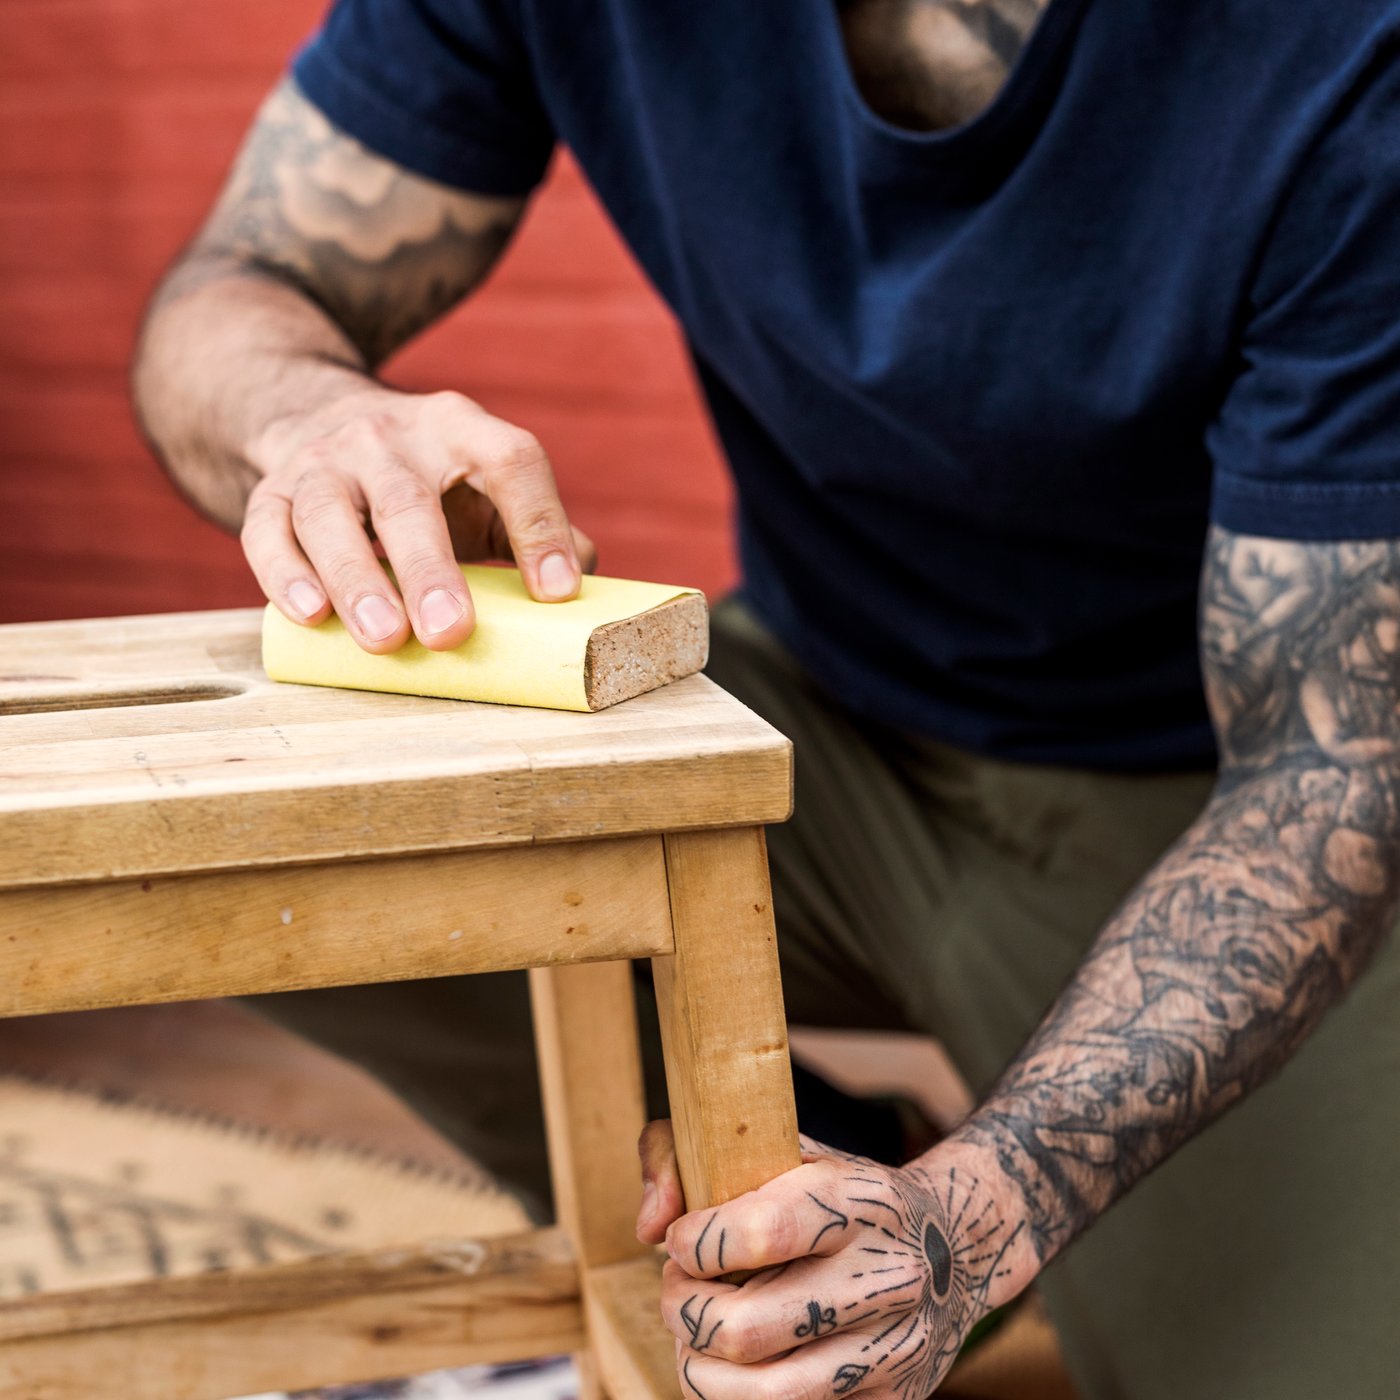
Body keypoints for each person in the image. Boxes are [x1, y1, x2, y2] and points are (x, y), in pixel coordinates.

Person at [132, 2, 1400, 1396]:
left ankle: (913, 1230)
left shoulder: (1344, 60)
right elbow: (242, 282)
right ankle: (814, 1189)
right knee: (203, 832)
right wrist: (304, 415)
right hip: (799, 724)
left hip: (1204, 804)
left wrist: (976, 1215)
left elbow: (1333, 774)